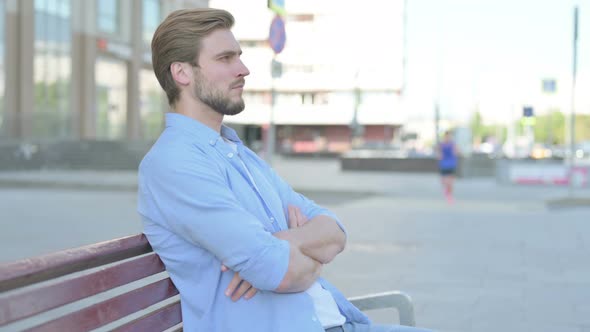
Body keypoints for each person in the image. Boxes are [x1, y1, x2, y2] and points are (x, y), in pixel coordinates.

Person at [138, 8, 434, 332]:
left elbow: (334, 232)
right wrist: (301, 253)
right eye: (226, 59)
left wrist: (281, 243)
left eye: (239, 56)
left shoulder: (237, 153)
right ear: (182, 73)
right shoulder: (175, 164)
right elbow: (280, 271)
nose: (244, 69)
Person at [436, 131, 460, 204]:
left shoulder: (453, 144)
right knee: (444, 181)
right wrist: (439, 155)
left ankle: (450, 196)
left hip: (451, 164)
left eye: (450, 136)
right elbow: (438, 153)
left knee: (450, 182)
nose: (448, 138)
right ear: (445, 136)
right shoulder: (441, 144)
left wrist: (455, 152)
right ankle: (447, 191)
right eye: (447, 136)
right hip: (443, 164)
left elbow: (457, 152)